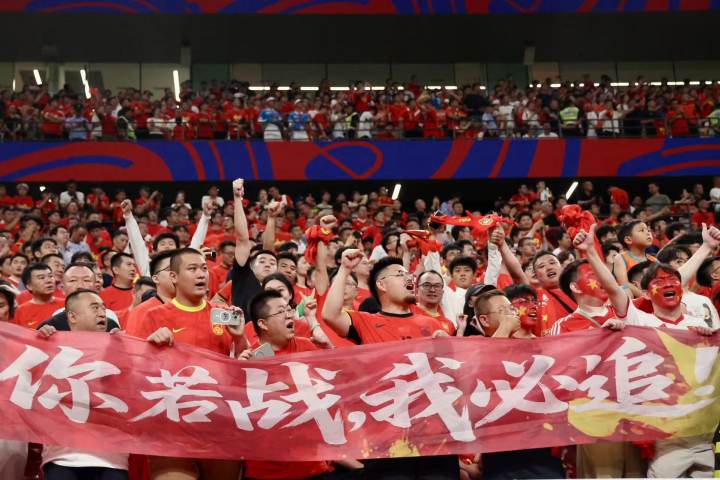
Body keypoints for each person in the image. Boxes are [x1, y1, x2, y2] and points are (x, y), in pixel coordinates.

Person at [575, 223, 720, 478]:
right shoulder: (641, 321)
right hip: (667, 436)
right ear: (646, 293)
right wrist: (590, 252)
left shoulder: (699, 323)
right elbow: (612, 288)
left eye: (672, 281)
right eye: (658, 282)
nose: (667, 284)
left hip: (704, 433)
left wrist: (707, 246)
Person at [322, 250, 458, 480]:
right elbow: (330, 315)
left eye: (409, 274)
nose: (409, 278)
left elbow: (452, 375)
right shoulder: (365, 321)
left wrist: (448, 349)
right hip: (387, 439)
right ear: (382, 284)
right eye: (400, 274)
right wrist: (345, 269)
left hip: (435, 436)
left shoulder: (433, 324)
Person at [133, 248, 246, 480]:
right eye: (192, 269)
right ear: (173, 277)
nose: (201, 274)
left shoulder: (223, 315)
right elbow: (136, 370)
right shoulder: (153, 316)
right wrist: (150, 346)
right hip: (171, 423)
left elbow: (246, 365)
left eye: (204, 268)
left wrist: (239, 337)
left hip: (217, 421)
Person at [471, 288, 567, 478]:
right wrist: (505, 328)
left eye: (512, 309)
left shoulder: (536, 348)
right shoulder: (473, 346)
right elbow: (483, 371)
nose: (512, 314)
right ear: (484, 320)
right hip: (499, 451)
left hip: (541, 448)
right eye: (504, 310)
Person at [36, 289, 130, 479]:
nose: (102, 313)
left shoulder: (123, 346)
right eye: (94, 308)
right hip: (62, 457)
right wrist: (39, 344)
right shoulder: (50, 348)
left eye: (103, 308)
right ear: (72, 316)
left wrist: (126, 348)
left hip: (112, 458)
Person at [13, 263, 64, 329]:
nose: (49, 281)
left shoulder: (66, 305)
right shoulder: (20, 312)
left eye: (50, 276)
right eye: (41, 278)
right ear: (29, 286)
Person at [613, 220, 656, 298]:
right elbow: (624, 283)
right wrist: (646, 297)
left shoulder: (654, 260)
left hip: (653, 296)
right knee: (625, 289)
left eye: (648, 230)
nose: (648, 233)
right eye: (642, 230)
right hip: (632, 299)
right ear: (628, 240)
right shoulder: (621, 258)